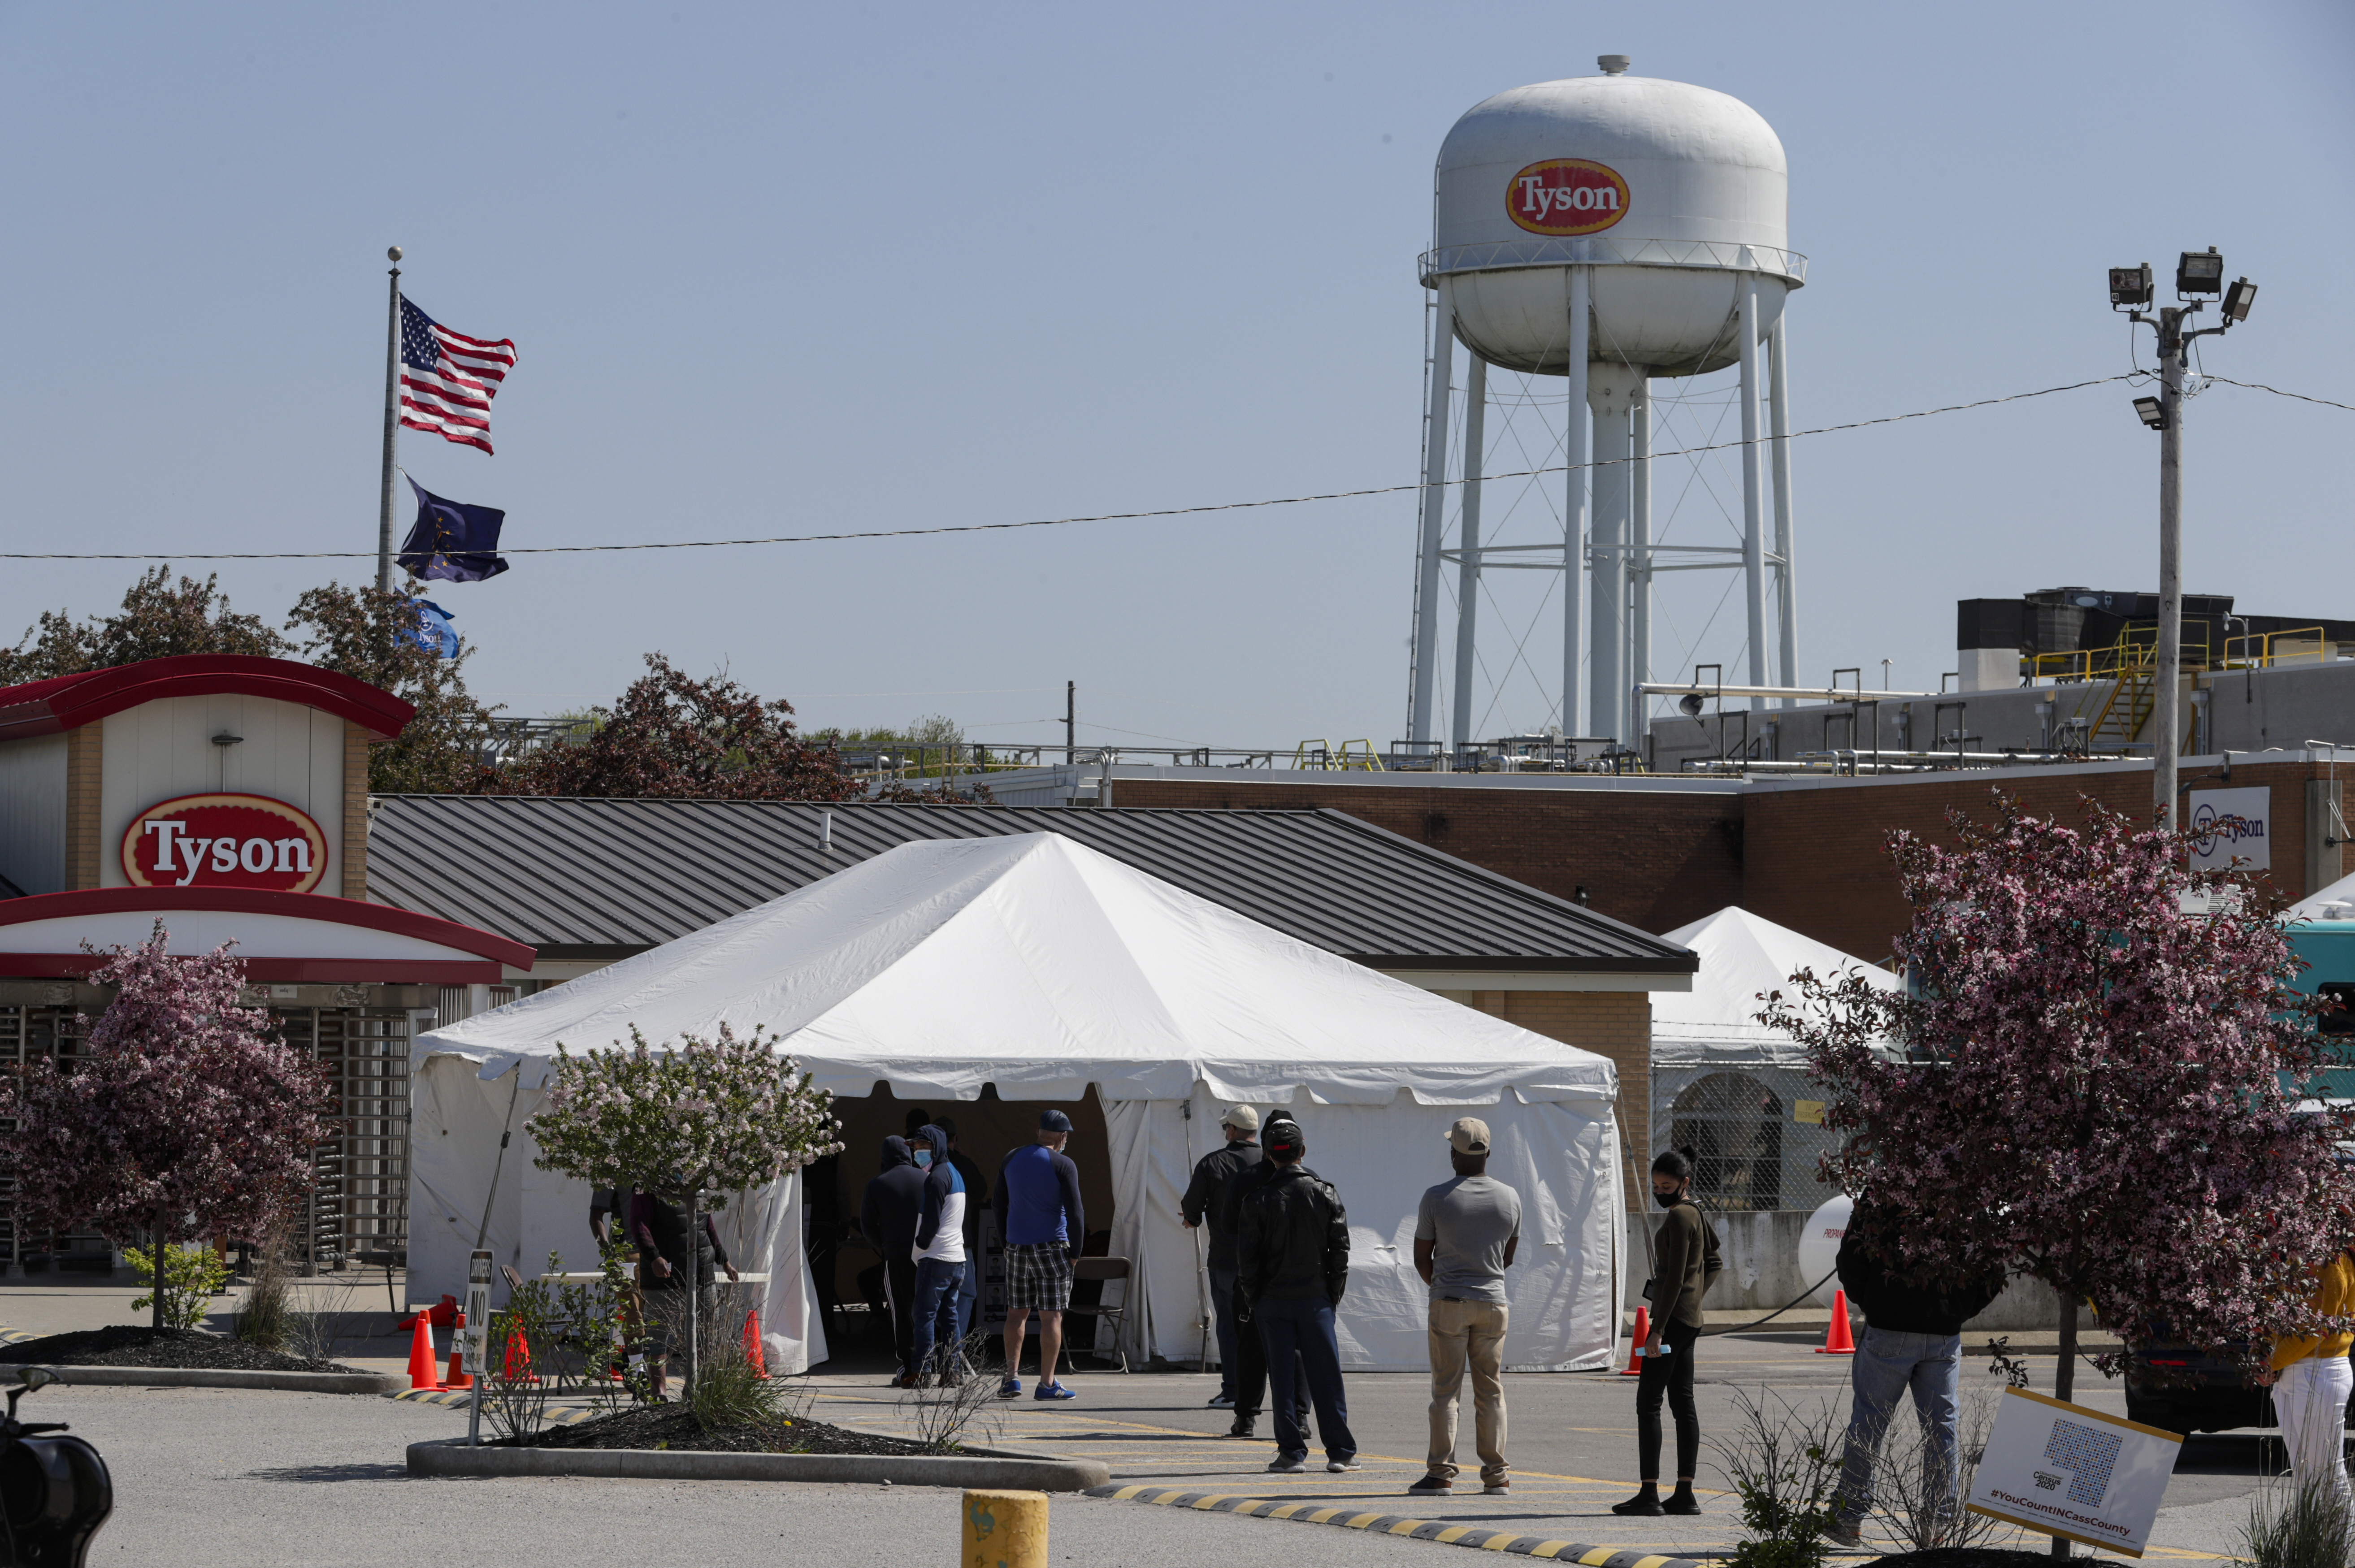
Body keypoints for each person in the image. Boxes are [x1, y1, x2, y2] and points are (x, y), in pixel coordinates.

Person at [1825, 1197, 2008, 1546]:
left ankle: (1849, 1517)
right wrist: (1957, 1308)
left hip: (1889, 1326)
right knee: (1942, 1427)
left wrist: (1875, 1301)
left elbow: (1851, 1255)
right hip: (1942, 1329)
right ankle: (1937, 1525)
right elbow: (1992, 1263)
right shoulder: (1964, 1187)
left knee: (1869, 1422)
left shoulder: (1886, 1191)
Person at [1236, 1118, 1358, 1475]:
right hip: (1314, 1298)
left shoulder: (1257, 1199)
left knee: (1283, 1376)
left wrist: (1255, 1298)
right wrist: (1331, 1296)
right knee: (1326, 1375)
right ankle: (1340, 1451)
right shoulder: (1323, 1192)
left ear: (1269, 1156)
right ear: (1301, 1151)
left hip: (1273, 1300)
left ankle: (1291, 1451)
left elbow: (1248, 1260)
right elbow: (1340, 1252)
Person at [1409, 1116, 1522, 1497]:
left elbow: (1422, 1257)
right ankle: (1496, 1475)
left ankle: (1441, 1472)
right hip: (1493, 1301)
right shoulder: (1509, 1197)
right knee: (1490, 1390)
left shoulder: (1436, 1197)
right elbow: (1508, 1255)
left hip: (1450, 1300)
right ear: (1488, 1153)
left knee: (1446, 1391)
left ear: (1453, 1153)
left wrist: (1442, 1287)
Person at [1614, 1148, 1722, 1517]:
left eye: (1667, 1185)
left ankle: (1649, 1494)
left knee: (1649, 1404)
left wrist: (1656, 1330)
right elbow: (1715, 1261)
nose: (1660, 1191)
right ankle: (1685, 1492)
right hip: (1688, 1318)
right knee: (1683, 1403)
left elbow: (1675, 1276)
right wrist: (1695, 1298)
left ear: (1684, 1183)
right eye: (1656, 1186)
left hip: (1672, 1321)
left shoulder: (1679, 1216)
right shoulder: (1696, 1211)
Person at [1218, 1111, 1312, 1440]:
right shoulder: (1313, 1182)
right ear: (1300, 1147)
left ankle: (1245, 1418)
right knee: (1297, 1351)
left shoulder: (1246, 1179)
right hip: (1299, 1280)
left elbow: (1228, 1226)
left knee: (1250, 1349)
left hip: (1254, 1279)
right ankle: (1300, 1418)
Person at [2258, 1240, 2355, 1516]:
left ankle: (2338, 1554)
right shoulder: (2298, 1248)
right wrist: (2268, 1357)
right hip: (2295, 1369)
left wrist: (2270, 1361)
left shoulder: (2331, 1258)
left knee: (2326, 1471)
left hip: (2320, 1370)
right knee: (2304, 1471)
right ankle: (2311, 1552)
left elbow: (2316, 1326)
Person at [994, 1109, 1086, 1401]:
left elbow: (999, 1204)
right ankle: (1047, 1383)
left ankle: (1011, 1378)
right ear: (1063, 1136)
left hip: (1016, 1247)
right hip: (1052, 1247)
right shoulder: (1064, 1164)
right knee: (1051, 1318)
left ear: (1038, 1132)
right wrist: (1076, 1251)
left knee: (1015, 1314)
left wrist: (1005, 1240)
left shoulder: (1011, 1158)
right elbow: (1075, 1212)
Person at [1181, 1105, 1263, 1408]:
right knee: (1269, 1327)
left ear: (1231, 1130)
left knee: (1229, 1326)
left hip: (1227, 1259)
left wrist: (1192, 1219)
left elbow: (1192, 1205)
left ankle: (1233, 1390)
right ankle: (1272, 1393)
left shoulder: (1213, 1162)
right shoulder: (1270, 1162)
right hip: (1267, 1261)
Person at [628, 1185, 740, 1399]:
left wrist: (724, 1261)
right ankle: (658, 1389)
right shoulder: (647, 1186)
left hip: (702, 1273)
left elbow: (707, 1227)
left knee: (708, 1331)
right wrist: (654, 1257)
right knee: (659, 1331)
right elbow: (639, 1226)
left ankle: (695, 1387)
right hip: (664, 1274)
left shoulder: (699, 1184)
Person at [859, 1135, 926, 1386]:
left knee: (901, 1309)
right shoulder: (927, 1179)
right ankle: (935, 1363)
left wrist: (884, 1246)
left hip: (896, 1255)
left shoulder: (876, 1184)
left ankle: (911, 1368)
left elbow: (868, 1226)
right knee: (928, 1308)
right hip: (928, 1254)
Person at [906, 1124, 969, 1386]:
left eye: (924, 1146)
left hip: (936, 1257)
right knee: (949, 1318)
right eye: (916, 1147)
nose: (918, 1151)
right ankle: (951, 1372)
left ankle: (922, 1373)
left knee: (924, 1316)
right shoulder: (955, 1173)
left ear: (937, 1147)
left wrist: (919, 1245)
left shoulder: (935, 1178)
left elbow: (930, 1223)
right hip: (957, 1258)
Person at [932, 1115, 989, 1343]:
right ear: (955, 1139)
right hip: (960, 1242)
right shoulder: (962, 1164)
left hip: (929, 1242)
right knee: (965, 1294)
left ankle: (934, 1348)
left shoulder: (925, 1164)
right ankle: (954, 1349)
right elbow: (981, 1191)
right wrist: (964, 1161)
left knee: (930, 1298)